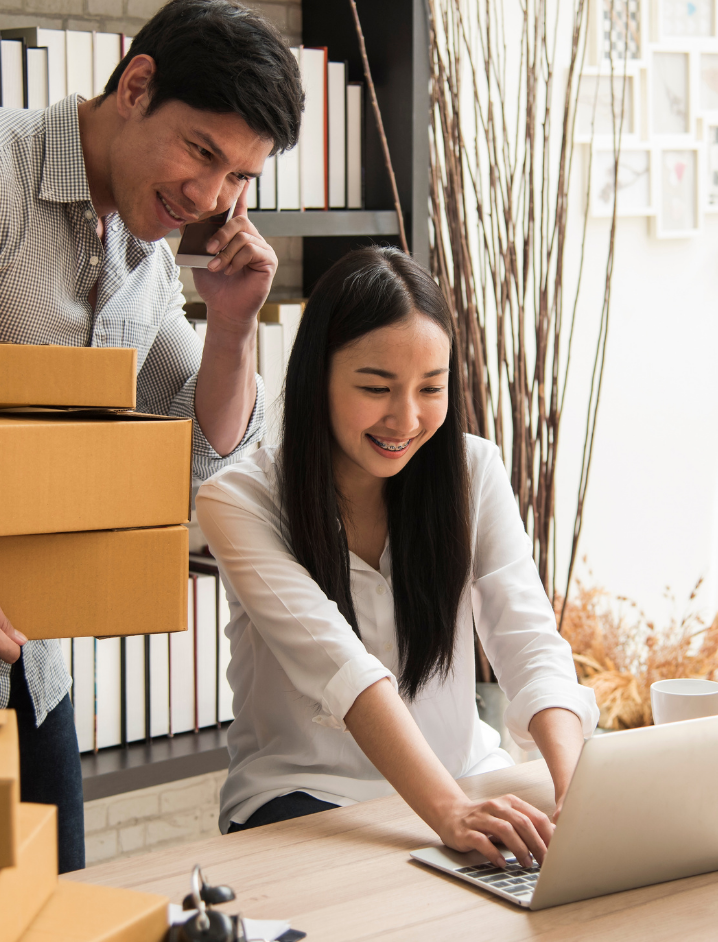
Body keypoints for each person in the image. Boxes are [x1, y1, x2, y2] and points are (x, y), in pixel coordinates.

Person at [0, 0, 303, 872]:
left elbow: (199, 453)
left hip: (29, 678)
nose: (210, 197)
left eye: (238, 179)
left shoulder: (142, 260)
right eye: (201, 151)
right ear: (136, 85)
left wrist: (230, 331)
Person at [196, 247, 599, 867]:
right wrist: (448, 812)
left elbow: (530, 642)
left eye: (430, 388)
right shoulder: (238, 500)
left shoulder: (474, 472)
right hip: (309, 798)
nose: (406, 418)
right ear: (316, 378)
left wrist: (576, 789)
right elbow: (342, 669)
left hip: (468, 778)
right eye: (376, 387)